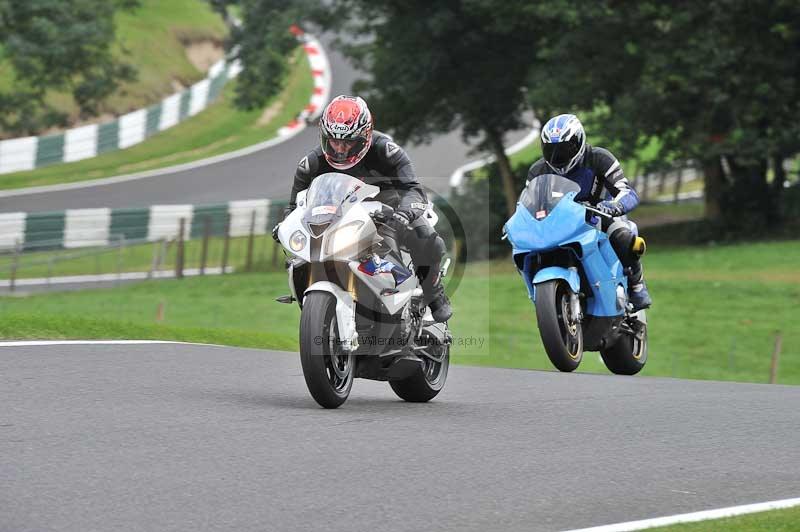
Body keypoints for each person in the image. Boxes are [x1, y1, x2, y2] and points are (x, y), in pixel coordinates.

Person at [277, 95, 452, 322]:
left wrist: (403, 214)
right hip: (340, 218)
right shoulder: (311, 163)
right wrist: (285, 224)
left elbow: (414, 190)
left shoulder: (387, 152)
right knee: (300, 258)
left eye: (348, 142)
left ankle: (433, 293)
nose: (340, 149)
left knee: (427, 237)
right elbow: (295, 205)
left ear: (365, 136)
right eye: (333, 141)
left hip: (389, 212)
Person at [527, 113, 652, 311]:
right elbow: (528, 204)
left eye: (564, 149)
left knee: (623, 236)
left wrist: (614, 206)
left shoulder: (599, 158)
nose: (557, 157)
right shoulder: (538, 170)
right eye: (551, 150)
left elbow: (627, 192)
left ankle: (637, 285)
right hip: (558, 225)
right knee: (525, 249)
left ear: (579, 143)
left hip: (598, 216)